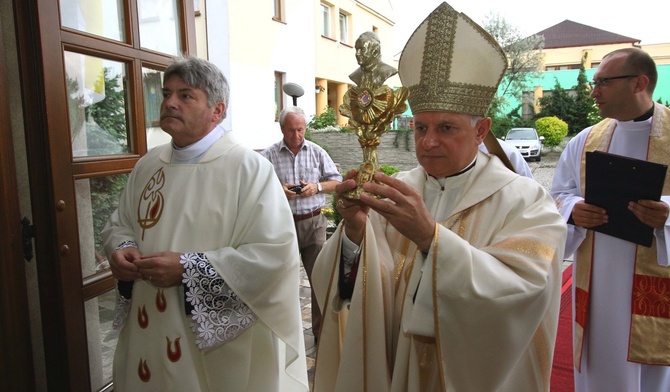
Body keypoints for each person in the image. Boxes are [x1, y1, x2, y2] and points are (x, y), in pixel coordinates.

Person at [311, 2, 568, 391]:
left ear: (481, 130)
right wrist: (355, 232)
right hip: (396, 367)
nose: (429, 142)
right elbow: (356, 295)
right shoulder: (397, 191)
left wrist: (431, 238)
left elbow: (524, 291)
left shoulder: (525, 201)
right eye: (420, 127)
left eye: (446, 127)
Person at [101, 55, 308, 392]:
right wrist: (122, 248)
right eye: (167, 93)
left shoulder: (248, 168)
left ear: (217, 110)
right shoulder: (148, 164)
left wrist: (188, 268)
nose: (169, 102)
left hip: (215, 342)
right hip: (149, 326)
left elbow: (275, 256)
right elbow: (121, 222)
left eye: (186, 95)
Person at [550, 47, 670, 392]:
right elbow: (557, 193)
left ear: (639, 83)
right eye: (594, 82)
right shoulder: (587, 140)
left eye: (603, 82)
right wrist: (572, 209)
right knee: (601, 365)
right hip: (598, 280)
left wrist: (666, 213)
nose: (593, 91)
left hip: (656, 281)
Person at [261, 106, 342, 341]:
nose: (297, 135)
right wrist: (279, 190)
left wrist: (316, 187)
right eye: (291, 130)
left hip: (313, 223)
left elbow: (336, 181)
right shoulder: (269, 155)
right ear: (281, 129)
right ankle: (284, 336)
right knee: (280, 280)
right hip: (282, 225)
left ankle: (322, 335)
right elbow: (253, 185)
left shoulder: (316, 152)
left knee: (319, 279)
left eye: (300, 129)